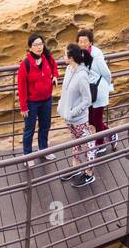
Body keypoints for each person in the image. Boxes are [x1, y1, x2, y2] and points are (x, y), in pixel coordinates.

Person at [57, 44, 97, 187]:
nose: (62, 57)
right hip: (69, 117)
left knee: (88, 144)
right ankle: (75, 166)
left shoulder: (82, 77)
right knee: (75, 141)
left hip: (79, 119)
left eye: (64, 54)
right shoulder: (69, 69)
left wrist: (73, 112)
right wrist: (61, 106)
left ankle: (89, 173)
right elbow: (65, 91)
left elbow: (87, 100)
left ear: (71, 57)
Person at [16, 33, 58, 163]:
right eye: (36, 45)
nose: (39, 47)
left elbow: (54, 66)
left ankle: (43, 150)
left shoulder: (46, 57)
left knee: (45, 126)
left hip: (46, 99)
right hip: (32, 103)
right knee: (29, 129)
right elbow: (21, 87)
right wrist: (23, 107)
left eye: (41, 44)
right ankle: (27, 156)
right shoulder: (26, 64)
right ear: (30, 47)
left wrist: (55, 76)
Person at [77, 30, 114, 153]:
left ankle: (100, 144)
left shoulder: (97, 55)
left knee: (96, 118)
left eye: (85, 41)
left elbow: (107, 73)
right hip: (89, 91)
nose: (82, 43)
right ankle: (111, 134)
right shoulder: (79, 55)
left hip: (99, 89)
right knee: (91, 119)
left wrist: (107, 86)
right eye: (80, 41)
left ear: (90, 42)